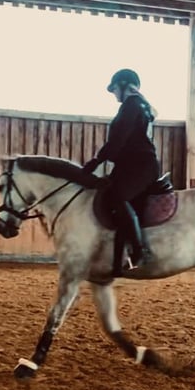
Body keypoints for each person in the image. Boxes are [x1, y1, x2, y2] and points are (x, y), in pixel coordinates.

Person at [82, 68, 160, 274]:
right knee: (110, 198)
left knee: (117, 196)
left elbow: (118, 139)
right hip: (130, 165)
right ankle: (117, 262)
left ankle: (139, 251)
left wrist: (97, 160)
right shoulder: (138, 105)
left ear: (124, 85)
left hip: (140, 166)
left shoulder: (131, 106)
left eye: (115, 88)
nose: (114, 93)